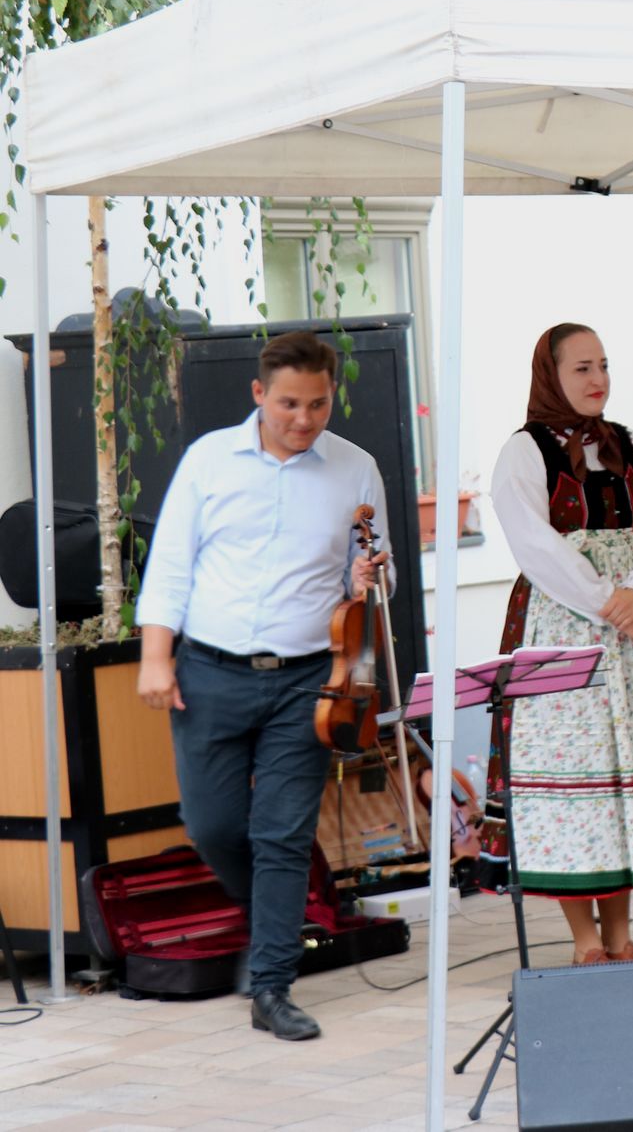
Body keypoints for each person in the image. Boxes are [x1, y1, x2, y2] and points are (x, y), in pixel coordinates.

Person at [136, 330, 395, 1042]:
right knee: (213, 826)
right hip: (209, 671)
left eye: (318, 404)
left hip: (308, 679)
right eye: (288, 404)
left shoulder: (357, 469)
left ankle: (273, 985)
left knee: (281, 835)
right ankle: (273, 913)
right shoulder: (208, 460)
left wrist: (369, 579)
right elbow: (170, 565)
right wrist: (156, 657)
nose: (303, 419)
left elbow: (380, 573)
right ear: (259, 394)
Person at [489, 323, 633, 966]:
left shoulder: (629, 444)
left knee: (624, 774)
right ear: (552, 376)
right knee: (578, 778)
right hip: (566, 625)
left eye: (604, 366)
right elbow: (535, 546)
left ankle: (620, 932)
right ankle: (585, 938)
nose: (598, 380)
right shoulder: (524, 453)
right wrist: (607, 604)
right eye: (582, 368)